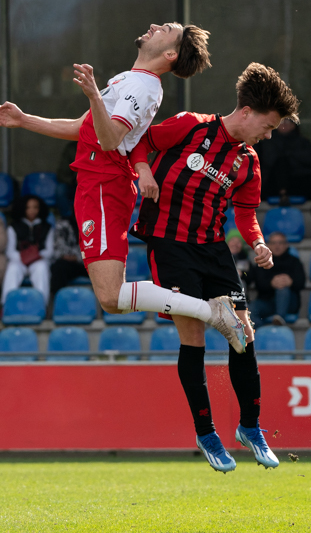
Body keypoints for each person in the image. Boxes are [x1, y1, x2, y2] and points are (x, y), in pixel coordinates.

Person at [0, 23, 244, 350]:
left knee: (110, 296)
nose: (154, 26)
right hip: (94, 181)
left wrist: (94, 95)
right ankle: (211, 311)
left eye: (165, 29)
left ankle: (211, 311)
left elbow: (110, 140)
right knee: (110, 299)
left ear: (170, 53)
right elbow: (82, 128)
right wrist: (24, 120)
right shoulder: (130, 79)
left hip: (105, 182)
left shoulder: (143, 86)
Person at [128, 61, 299, 472]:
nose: (269, 135)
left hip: (213, 249)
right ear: (247, 112)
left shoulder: (249, 162)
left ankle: (250, 427)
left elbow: (246, 213)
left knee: (243, 334)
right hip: (170, 246)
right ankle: (206, 434)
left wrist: (258, 243)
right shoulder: (191, 126)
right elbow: (139, 142)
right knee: (194, 337)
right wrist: (143, 171)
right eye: (268, 126)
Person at [254, 117, 311, 209]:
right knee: (281, 163)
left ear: (293, 125)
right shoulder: (268, 142)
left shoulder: (303, 142)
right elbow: (269, 161)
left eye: (287, 122)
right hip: (276, 184)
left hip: (300, 180)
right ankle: (283, 197)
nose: (284, 125)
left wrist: (290, 156)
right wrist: (294, 159)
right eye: (281, 123)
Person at [2, 195, 55, 301]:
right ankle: (6, 303)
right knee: (12, 268)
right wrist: (25, 257)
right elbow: (10, 251)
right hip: (19, 260)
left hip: (39, 260)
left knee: (42, 268)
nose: (32, 210)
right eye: (28, 207)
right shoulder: (14, 227)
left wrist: (36, 256)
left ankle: (42, 304)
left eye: (35, 207)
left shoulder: (47, 227)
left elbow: (50, 251)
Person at [248, 232, 305, 326]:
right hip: (267, 303)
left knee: (282, 288)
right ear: (268, 245)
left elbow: (301, 283)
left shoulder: (295, 262)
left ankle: (279, 318)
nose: (277, 246)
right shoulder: (262, 261)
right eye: (274, 243)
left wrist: (291, 282)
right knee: (251, 309)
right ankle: (261, 331)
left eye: (280, 243)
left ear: (286, 245)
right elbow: (258, 283)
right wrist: (271, 283)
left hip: (289, 303)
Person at [49, 215, 88, 297]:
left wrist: (77, 257)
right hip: (69, 264)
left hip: (89, 263)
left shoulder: (95, 223)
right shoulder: (63, 225)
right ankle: (59, 300)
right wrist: (76, 257)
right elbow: (58, 250)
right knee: (58, 267)